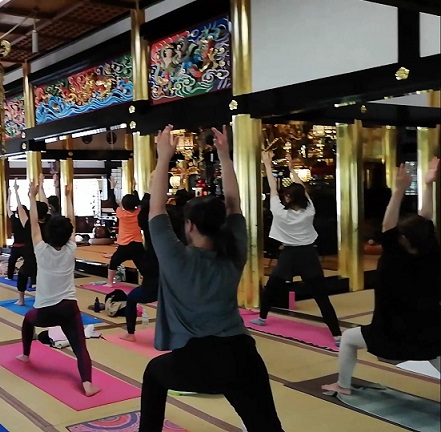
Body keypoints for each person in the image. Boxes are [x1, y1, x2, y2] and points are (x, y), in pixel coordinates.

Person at [139, 125, 283, 432]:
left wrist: (164, 156)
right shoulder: (235, 252)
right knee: (267, 427)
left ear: (189, 226)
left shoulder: (176, 258)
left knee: (154, 374)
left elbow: (156, 206)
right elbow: (234, 203)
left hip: (198, 361)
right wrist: (224, 156)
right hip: (243, 354)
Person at [322, 159, 441, 395]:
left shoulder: (394, 260)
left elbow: (388, 225)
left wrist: (398, 191)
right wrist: (428, 185)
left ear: (403, 240)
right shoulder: (432, 256)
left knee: (348, 339)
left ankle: (343, 386)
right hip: (428, 335)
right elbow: (425, 219)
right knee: (436, 352)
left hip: (389, 337)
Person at [15, 181, 101, 397]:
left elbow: (34, 223)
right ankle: (88, 384)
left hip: (45, 311)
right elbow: (69, 221)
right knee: (80, 348)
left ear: (47, 233)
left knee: (27, 320)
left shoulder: (41, 249)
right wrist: (69, 196)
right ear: (68, 234)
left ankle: (25, 354)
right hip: (69, 308)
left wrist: (31, 197)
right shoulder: (71, 248)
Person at [250, 151, 342, 344]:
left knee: (271, 288)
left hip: (290, 255)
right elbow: (301, 187)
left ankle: (262, 318)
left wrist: (267, 164)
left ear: (289, 198)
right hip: (309, 254)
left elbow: (273, 188)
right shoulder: (310, 211)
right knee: (321, 297)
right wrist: (292, 169)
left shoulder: (279, 212)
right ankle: (337, 335)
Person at [120, 182, 188, 342]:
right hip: (177, 279)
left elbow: (144, 216)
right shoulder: (181, 230)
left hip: (155, 278)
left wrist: (150, 193)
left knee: (131, 298)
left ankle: (130, 334)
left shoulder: (154, 233)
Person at [13, 180, 50, 305]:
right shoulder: (49, 222)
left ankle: (21, 299)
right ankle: (45, 298)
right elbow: (45, 205)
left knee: (23, 275)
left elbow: (20, 209)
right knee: (44, 277)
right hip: (46, 255)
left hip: (31, 255)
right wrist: (41, 188)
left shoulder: (30, 224)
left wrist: (18, 192)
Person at [105, 177, 146, 286]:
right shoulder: (139, 212)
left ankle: (109, 283)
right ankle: (148, 284)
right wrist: (134, 188)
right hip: (137, 244)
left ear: (123, 205)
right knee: (143, 266)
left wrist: (112, 187)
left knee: (114, 262)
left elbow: (112, 202)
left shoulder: (121, 214)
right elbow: (139, 202)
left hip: (124, 245)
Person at [6, 189, 27, 281]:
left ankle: (10, 276)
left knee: (12, 261)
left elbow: (8, 209)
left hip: (20, 246)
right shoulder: (27, 222)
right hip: (25, 246)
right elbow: (8, 210)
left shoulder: (17, 220)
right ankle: (33, 278)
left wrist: (9, 195)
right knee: (30, 261)